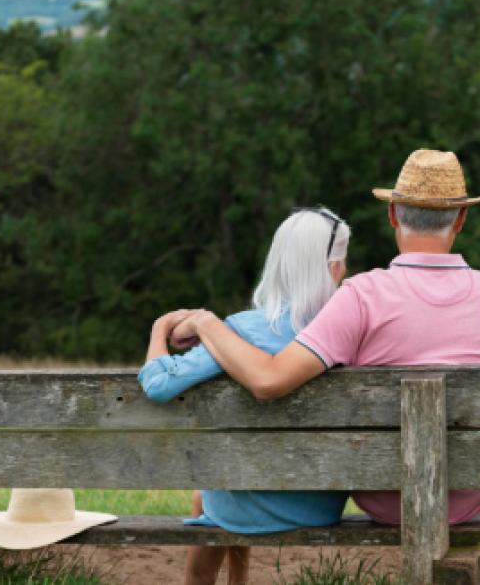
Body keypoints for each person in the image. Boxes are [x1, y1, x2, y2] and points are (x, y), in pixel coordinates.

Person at [170, 149, 480, 530]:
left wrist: (207, 324)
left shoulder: (360, 296)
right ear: (461, 219)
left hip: (387, 501)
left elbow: (269, 381)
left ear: (393, 214)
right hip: (476, 499)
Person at [140, 207, 353, 585]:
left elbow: (158, 385)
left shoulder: (241, 331)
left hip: (245, 502)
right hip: (320, 504)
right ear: (333, 268)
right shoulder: (347, 332)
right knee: (225, 481)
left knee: (212, 487)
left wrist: (160, 329)